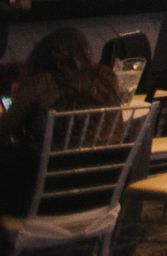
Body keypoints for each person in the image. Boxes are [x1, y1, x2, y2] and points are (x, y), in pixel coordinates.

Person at [0, 27, 120, 214]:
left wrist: (19, 99)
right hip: (98, 192)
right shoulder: (106, 78)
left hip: (44, 196)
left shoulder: (40, 83)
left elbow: (4, 130)